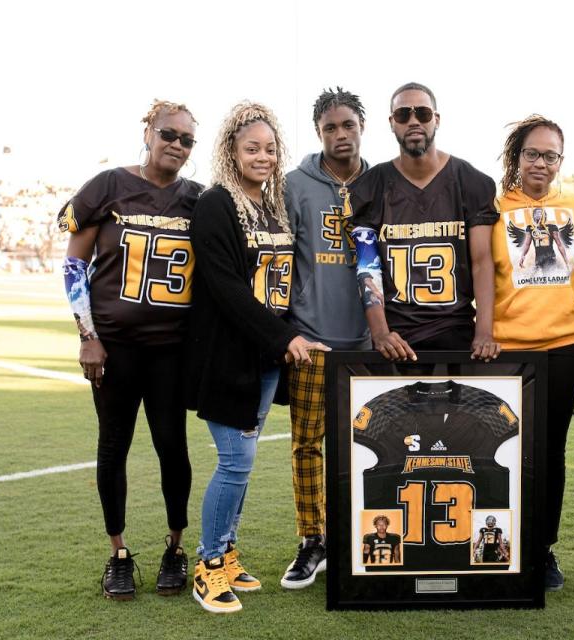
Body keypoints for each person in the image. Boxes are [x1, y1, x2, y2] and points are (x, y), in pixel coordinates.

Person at [186, 102, 329, 614]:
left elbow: (281, 285)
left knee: (242, 465)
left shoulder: (271, 207)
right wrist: (284, 337)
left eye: (270, 148)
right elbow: (225, 287)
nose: (263, 157)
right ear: (231, 151)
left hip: (266, 358)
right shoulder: (216, 204)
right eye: (252, 148)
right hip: (230, 354)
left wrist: (286, 336)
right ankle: (206, 566)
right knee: (234, 462)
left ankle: (226, 552)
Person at [57, 99, 202, 600]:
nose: (177, 146)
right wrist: (88, 336)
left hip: (170, 350)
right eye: (169, 135)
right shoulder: (109, 185)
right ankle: (118, 553)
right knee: (113, 445)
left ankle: (175, 548)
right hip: (115, 348)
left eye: (187, 140)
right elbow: (75, 265)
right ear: (148, 132)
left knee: (171, 446)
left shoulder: (198, 199)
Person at [491, 114, 574, 591]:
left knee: (552, 453)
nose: (541, 163)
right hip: (506, 353)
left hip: (561, 351)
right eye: (533, 153)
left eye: (551, 155)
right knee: (503, 454)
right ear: (516, 156)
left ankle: (543, 549)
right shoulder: (491, 209)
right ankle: (498, 545)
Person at [280, 87, 371, 590]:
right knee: (307, 444)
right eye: (330, 127)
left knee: (365, 443)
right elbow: (282, 260)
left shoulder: (382, 182)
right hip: (313, 339)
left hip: (368, 342)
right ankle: (311, 539)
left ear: (362, 127)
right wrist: (291, 328)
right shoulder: (295, 184)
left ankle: (356, 533)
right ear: (318, 133)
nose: (340, 135)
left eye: (348, 126)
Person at [347, 82, 500, 361]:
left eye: (423, 114)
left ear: (437, 120)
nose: (414, 121)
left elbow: (482, 262)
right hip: (395, 341)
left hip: (458, 334)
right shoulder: (371, 187)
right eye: (404, 115)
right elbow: (368, 268)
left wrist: (485, 331)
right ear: (392, 123)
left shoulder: (471, 182)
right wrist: (380, 332)